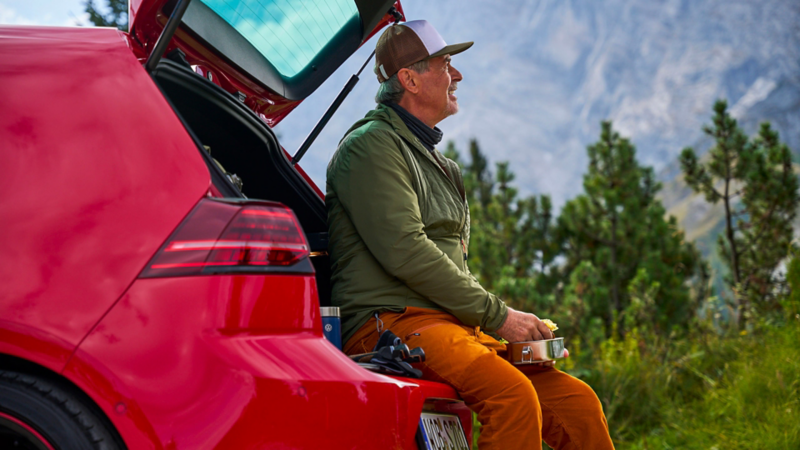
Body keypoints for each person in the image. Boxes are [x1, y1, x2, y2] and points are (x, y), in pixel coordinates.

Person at [326, 19, 615, 450]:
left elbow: (450, 265)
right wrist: (500, 317)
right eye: (445, 64)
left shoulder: (442, 167)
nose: (457, 75)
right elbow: (405, 251)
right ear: (409, 79)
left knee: (576, 402)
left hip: (450, 327)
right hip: (391, 323)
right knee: (512, 396)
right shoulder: (370, 147)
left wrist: (511, 326)